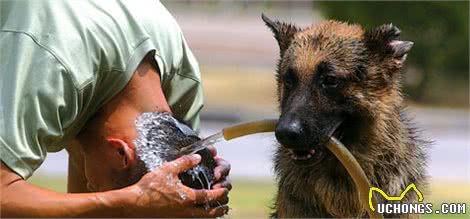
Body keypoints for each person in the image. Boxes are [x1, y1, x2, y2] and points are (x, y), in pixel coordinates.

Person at [0, 1, 231, 217]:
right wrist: (123, 201)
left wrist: (204, 179)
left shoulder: (180, 80)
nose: (90, 186)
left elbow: (174, 187)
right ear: (121, 153)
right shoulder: (49, 70)